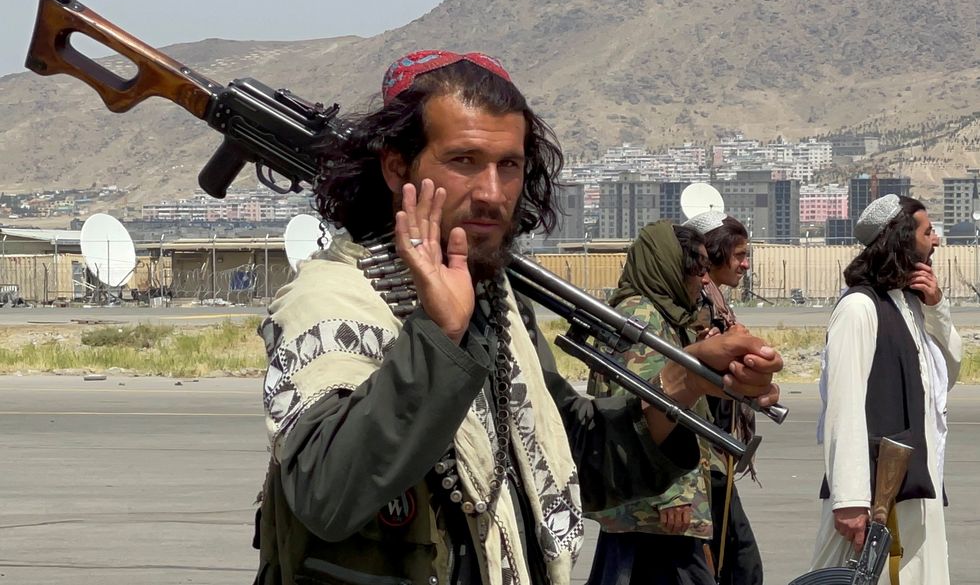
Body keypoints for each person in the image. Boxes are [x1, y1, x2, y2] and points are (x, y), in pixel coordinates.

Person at [251, 49, 782, 585]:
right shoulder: (332, 299)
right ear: (396, 168)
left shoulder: (496, 300)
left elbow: (570, 456)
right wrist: (439, 334)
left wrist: (684, 381)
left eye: (508, 165)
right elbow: (328, 493)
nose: (492, 192)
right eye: (464, 160)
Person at [811, 194, 961, 584]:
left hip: (914, 490)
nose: (936, 240)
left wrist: (936, 307)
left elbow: (946, 375)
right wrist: (850, 500)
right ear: (902, 239)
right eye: (928, 232)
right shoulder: (859, 308)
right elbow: (843, 406)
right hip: (869, 502)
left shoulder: (911, 305)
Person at [585, 221, 719, 585]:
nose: (705, 280)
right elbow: (640, 408)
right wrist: (673, 494)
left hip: (647, 511)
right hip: (654, 511)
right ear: (669, 267)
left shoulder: (661, 315)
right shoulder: (641, 318)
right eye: (698, 270)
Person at [686, 210, 764, 585]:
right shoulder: (701, 305)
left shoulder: (717, 304)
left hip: (718, 452)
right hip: (704, 454)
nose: (745, 265)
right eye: (739, 255)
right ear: (715, 254)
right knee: (739, 564)